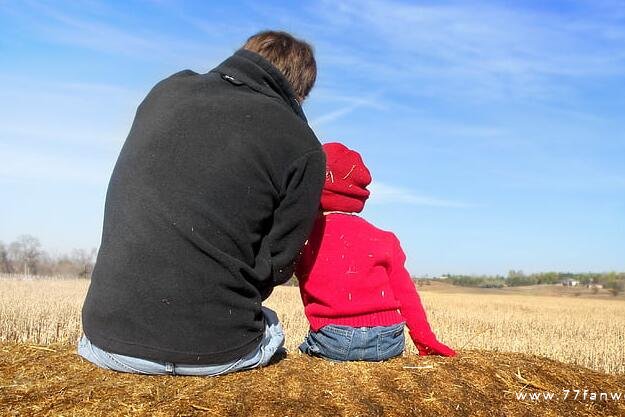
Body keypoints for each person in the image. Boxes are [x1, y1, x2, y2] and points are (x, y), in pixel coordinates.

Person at [78, 31, 326, 376]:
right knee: (271, 325)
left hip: (103, 340)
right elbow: (279, 262)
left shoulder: (166, 90)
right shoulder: (304, 145)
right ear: (300, 92)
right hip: (215, 351)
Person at [295, 142, 456, 361]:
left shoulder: (305, 237)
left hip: (335, 338)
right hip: (389, 338)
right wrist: (425, 339)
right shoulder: (385, 238)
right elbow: (406, 294)